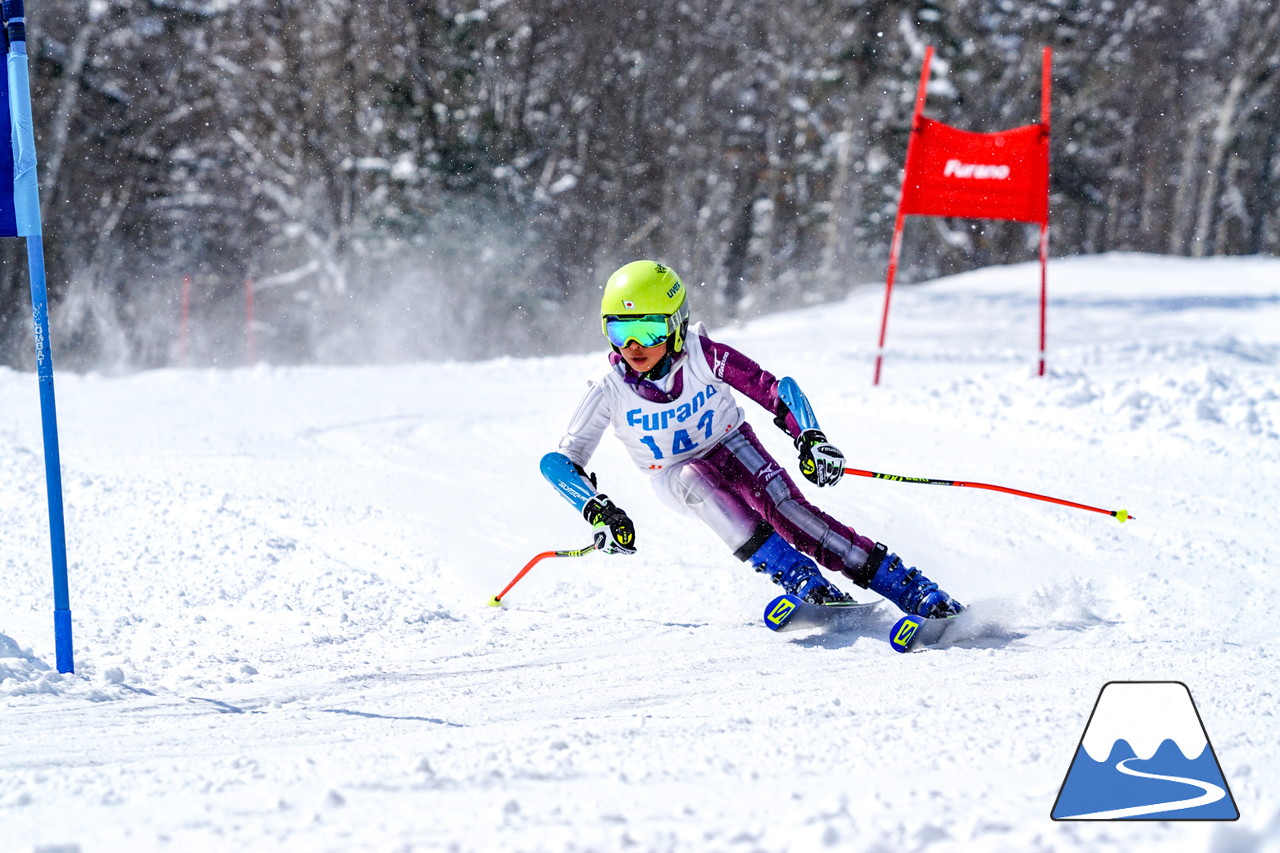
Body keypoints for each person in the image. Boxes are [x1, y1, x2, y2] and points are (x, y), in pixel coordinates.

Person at [540, 260, 962, 617]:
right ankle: (799, 578)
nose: (634, 346)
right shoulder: (609, 387)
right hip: (673, 476)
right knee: (694, 476)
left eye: (649, 331)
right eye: (619, 332)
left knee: (791, 514)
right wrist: (598, 510)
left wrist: (810, 437)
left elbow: (776, 390)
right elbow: (559, 461)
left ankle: (909, 588)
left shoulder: (704, 354)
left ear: (674, 325)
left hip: (731, 444)